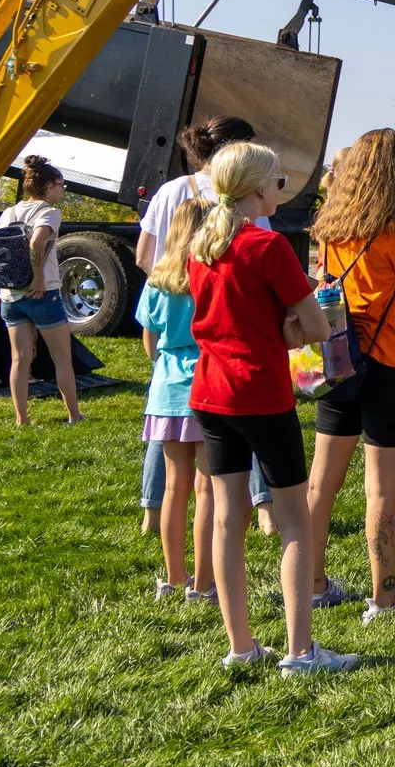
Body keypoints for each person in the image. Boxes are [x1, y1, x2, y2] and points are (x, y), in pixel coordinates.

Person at [187, 140, 360, 676]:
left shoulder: (202, 246)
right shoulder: (268, 247)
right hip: (260, 393)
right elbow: (317, 326)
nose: (282, 189)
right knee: (294, 522)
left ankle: (240, 646)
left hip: (210, 392)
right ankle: (300, 652)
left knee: (227, 519)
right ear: (259, 188)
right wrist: (289, 329)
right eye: (279, 181)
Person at [303, 127, 395, 627]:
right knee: (381, 491)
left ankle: (312, 584)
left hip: (339, 359)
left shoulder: (330, 226)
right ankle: (383, 599)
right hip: (388, 365)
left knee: (322, 483)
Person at [136, 115, 278, 535]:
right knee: (245, 427)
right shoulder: (241, 193)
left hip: (170, 338)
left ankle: (152, 511)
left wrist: (167, 285)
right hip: (220, 335)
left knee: (166, 429)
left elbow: (144, 254)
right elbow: (259, 265)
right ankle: (264, 507)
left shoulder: (170, 190)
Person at [136, 198, 217, 606]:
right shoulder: (211, 274)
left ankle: (172, 578)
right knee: (207, 489)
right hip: (207, 385)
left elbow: (149, 342)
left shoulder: (157, 278)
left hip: (166, 389)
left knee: (174, 488)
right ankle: (203, 584)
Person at [0, 155, 82, 428]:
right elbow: (36, 243)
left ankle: (22, 418)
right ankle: (74, 415)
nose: (63, 191)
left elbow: (3, 257)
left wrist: (0, 296)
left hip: (11, 295)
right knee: (62, 358)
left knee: (19, 359)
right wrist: (39, 279)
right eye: (61, 185)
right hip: (43, 293)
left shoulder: (8, 214)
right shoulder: (49, 212)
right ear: (48, 186)